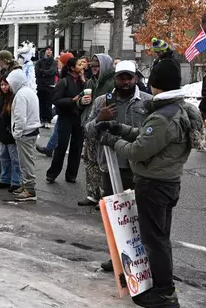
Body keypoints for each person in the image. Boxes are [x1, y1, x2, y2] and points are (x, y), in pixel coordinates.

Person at [99, 58, 202, 308]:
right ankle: (162, 281)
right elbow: (148, 136)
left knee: (154, 240)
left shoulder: (163, 116)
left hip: (154, 185)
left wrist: (112, 141)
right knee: (159, 237)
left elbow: (138, 151)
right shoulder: (177, 109)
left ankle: (165, 293)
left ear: (157, 84)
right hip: (168, 182)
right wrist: (120, 128)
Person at [84, 61, 152, 270]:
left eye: (129, 78)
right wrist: (100, 119)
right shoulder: (102, 101)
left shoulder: (148, 102)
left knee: (141, 217)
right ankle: (118, 258)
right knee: (117, 218)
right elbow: (88, 130)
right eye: (121, 77)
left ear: (136, 79)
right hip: (111, 167)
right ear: (115, 78)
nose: (125, 82)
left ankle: (142, 261)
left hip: (140, 167)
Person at [78, 54, 114, 206]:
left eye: (97, 66)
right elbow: (79, 99)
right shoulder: (90, 83)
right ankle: (92, 194)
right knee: (89, 161)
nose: (93, 68)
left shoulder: (112, 83)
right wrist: (81, 101)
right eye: (92, 66)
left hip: (104, 128)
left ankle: (104, 198)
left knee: (104, 164)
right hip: (89, 126)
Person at [46, 57, 88, 183]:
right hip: (66, 117)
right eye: (79, 64)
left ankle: (71, 175)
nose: (82, 66)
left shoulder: (83, 81)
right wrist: (72, 100)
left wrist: (84, 81)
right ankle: (52, 173)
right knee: (62, 145)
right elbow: (56, 100)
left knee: (77, 147)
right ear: (71, 67)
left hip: (79, 117)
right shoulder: (63, 82)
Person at [6, 68, 41, 201]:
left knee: (25, 162)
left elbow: (20, 117)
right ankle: (26, 186)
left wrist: (16, 133)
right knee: (26, 161)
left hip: (25, 133)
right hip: (31, 130)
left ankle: (30, 190)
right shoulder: (28, 92)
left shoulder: (21, 95)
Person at [37, 52, 74, 157]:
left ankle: (52, 148)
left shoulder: (68, 74)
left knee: (62, 129)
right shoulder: (67, 72)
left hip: (68, 106)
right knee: (58, 128)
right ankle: (50, 147)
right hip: (66, 105)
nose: (58, 63)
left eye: (60, 62)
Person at [0, 75, 23, 192]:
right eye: (2, 85)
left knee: (15, 159)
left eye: (6, 84)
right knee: (3, 157)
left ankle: (16, 181)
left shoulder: (15, 98)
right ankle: (5, 179)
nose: (4, 87)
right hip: (2, 134)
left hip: (11, 134)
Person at [35, 47, 57, 128]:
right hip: (40, 86)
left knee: (48, 103)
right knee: (41, 103)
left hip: (49, 86)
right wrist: (45, 73)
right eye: (47, 49)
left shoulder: (54, 62)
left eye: (50, 49)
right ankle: (41, 119)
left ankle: (48, 120)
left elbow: (52, 72)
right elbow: (37, 72)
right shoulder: (39, 62)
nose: (49, 51)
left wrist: (42, 72)